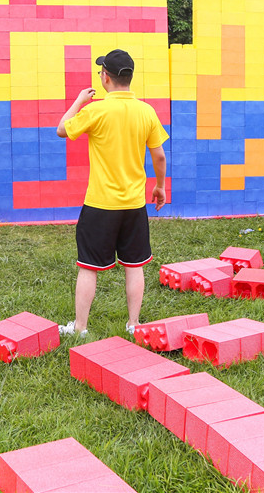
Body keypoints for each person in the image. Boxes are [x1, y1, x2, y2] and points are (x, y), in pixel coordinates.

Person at [56, 49, 168, 337]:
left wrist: (79, 101)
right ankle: (134, 324)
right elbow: (159, 156)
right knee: (134, 265)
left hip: (100, 204)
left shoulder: (95, 110)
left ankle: (80, 328)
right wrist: (160, 186)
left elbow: (62, 130)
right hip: (134, 204)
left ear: (105, 77)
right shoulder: (146, 111)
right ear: (129, 77)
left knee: (88, 267)